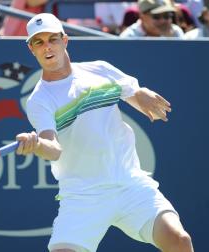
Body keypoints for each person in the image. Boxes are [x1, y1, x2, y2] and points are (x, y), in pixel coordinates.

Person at [16, 13, 194, 252]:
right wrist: (37, 144)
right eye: (39, 42)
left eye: (52, 39)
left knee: (179, 241)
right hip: (83, 195)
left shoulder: (100, 70)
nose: (47, 46)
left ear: (65, 40)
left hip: (130, 184)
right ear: (31, 49)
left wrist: (141, 94)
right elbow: (54, 149)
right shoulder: (40, 100)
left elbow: (135, 94)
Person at [120, 0, 184, 38]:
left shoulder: (176, 32)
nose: (163, 21)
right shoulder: (129, 37)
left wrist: (170, 40)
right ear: (142, 16)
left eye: (167, 16)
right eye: (156, 16)